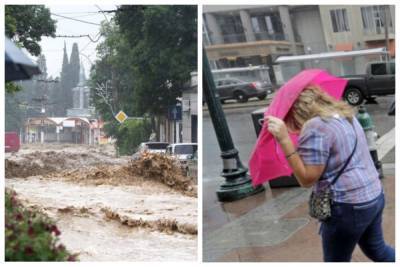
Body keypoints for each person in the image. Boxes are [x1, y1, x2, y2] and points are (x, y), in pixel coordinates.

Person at [266, 86, 395, 262]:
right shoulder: (345, 115)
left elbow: (307, 179)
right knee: (378, 249)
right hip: (374, 195)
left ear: (296, 110)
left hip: (348, 205)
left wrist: (284, 140)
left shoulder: (316, 127)